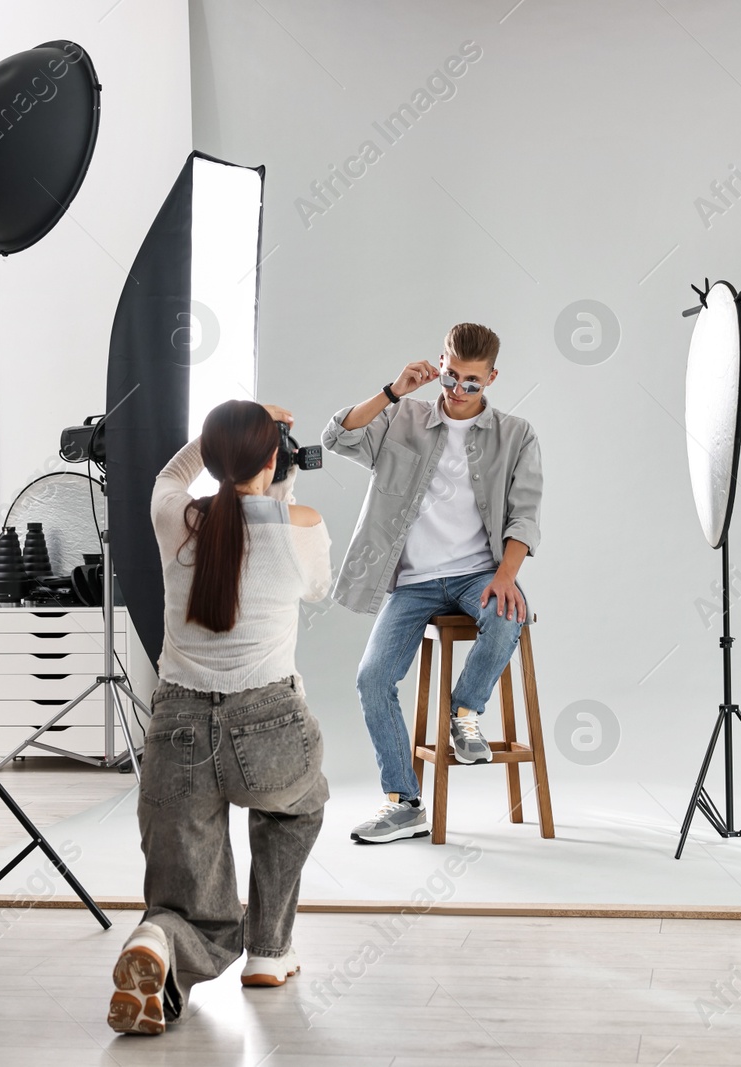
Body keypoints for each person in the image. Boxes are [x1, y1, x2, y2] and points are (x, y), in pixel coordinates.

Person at [108, 399, 332, 1036]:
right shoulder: (303, 524)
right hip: (271, 727)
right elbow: (311, 579)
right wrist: (284, 476)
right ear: (273, 458)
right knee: (299, 804)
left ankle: (159, 941)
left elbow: (169, 480)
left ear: (209, 458)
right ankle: (269, 950)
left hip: (175, 730)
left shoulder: (173, 518)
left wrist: (218, 436)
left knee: (194, 905)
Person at [322, 322, 542, 844]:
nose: (458, 392)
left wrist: (507, 576)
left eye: (472, 382)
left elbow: (525, 515)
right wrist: (393, 390)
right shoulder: (404, 417)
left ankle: (464, 713)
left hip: (477, 574)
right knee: (372, 678)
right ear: (440, 364)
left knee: (510, 611)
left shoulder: (517, 434)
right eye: (451, 377)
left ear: (491, 377)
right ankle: (403, 803)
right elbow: (338, 437)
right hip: (413, 583)